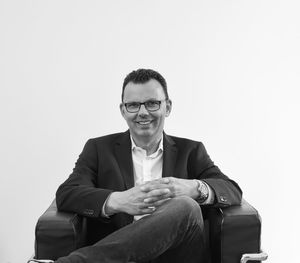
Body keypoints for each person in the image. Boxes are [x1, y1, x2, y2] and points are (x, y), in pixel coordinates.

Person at [54, 69, 242, 263]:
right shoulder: (98, 149)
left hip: (177, 257)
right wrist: (117, 200)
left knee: (186, 206)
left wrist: (195, 188)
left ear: (167, 107)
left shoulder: (191, 151)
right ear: (123, 110)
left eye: (152, 103)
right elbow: (67, 193)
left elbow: (232, 190)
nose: (143, 113)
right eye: (133, 105)